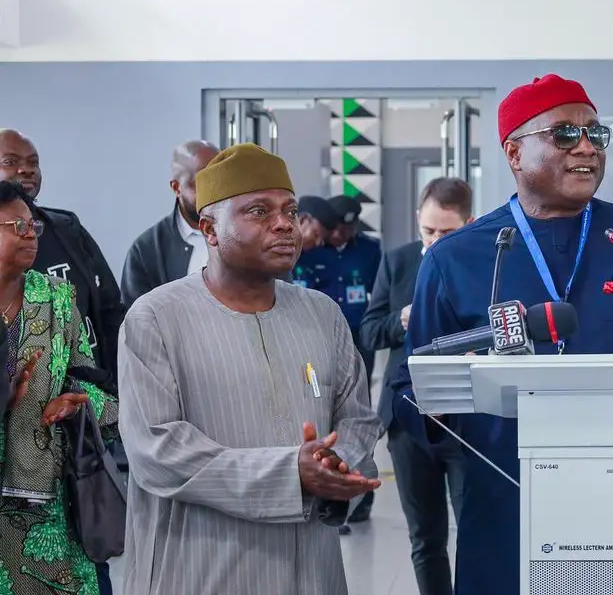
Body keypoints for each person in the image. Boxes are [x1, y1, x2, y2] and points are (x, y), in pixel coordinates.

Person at [390, 74, 613, 595]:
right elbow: (410, 393)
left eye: (595, 133)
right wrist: (441, 403)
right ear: (514, 153)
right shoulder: (458, 259)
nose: (586, 146)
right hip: (508, 510)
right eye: (565, 134)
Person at [117, 143, 383, 594]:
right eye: (259, 211)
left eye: (290, 211)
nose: (284, 224)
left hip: (312, 570)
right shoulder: (156, 318)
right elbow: (157, 450)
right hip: (201, 569)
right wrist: (289, 473)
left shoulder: (322, 314)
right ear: (210, 229)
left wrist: (338, 468)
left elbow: (357, 418)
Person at [0, 180, 119, 595]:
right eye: (17, 226)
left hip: (47, 509)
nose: (31, 234)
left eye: (33, 225)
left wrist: (75, 404)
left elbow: (89, 383)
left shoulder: (58, 299)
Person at [360, 176, 473, 595]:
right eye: (429, 231)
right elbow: (369, 331)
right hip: (407, 417)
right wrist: (401, 320)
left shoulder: (485, 262)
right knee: (424, 538)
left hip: (467, 417)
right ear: (417, 221)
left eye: (447, 232)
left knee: (475, 529)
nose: (436, 240)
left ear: (469, 224)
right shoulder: (398, 261)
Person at [0, 130, 124, 379]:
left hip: (86, 383)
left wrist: (115, 383)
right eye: (10, 161)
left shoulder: (67, 228)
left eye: (33, 162)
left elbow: (109, 308)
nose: (26, 170)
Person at [295, 193, 382, 532]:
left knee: (357, 412)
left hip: (358, 340)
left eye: (349, 229)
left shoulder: (370, 250)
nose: (341, 235)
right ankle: (326, 488)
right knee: (321, 408)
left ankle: (357, 496)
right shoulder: (310, 250)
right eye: (335, 230)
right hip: (315, 344)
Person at [120, 140, 220, 306]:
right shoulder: (146, 251)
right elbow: (136, 317)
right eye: (203, 184)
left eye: (220, 181)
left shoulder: (245, 234)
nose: (215, 193)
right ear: (176, 187)